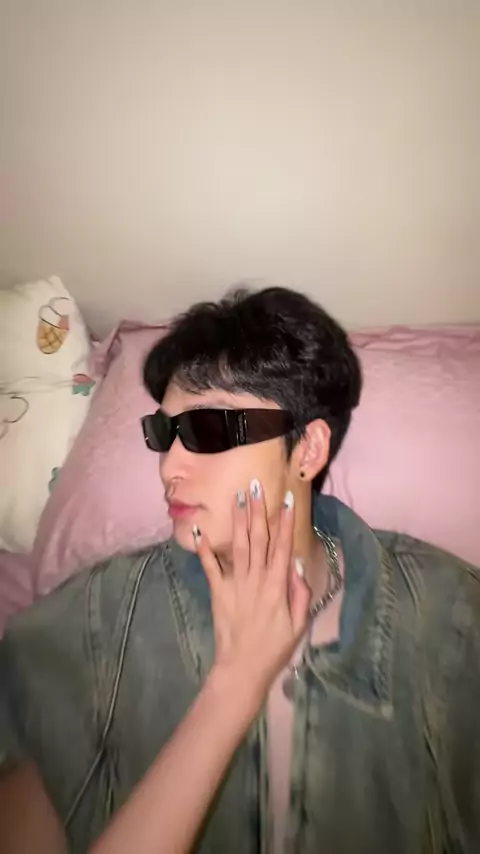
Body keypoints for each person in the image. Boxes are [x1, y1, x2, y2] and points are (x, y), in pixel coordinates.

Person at [1, 285, 480, 854]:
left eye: (207, 431)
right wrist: (234, 685)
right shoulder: (88, 622)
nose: (169, 468)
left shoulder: (449, 616)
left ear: (307, 450)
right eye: (164, 435)